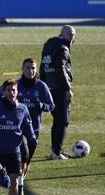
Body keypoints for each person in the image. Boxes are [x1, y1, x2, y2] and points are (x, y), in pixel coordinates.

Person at [0, 58, 54, 195]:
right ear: (22, 69)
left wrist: (42, 106)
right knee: (20, 158)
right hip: (16, 130)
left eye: (33, 68)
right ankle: (17, 185)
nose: (31, 70)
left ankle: (21, 182)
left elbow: (51, 105)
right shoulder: (15, 86)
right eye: (28, 68)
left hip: (33, 130)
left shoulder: (41, 86)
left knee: (26, 162)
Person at [40, 25, 75, 160]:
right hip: (59, 89)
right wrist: (67, 89)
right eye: (70, 35)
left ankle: (56, 150)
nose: (72, 38)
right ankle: (56, 152)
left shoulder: (49, 44)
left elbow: (44, 65)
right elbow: (61, 68)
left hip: (49, 87)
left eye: (73, 35)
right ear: (62, 34)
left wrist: (42, 85)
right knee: (62, 120)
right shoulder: (63, 48)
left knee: (58, 120)